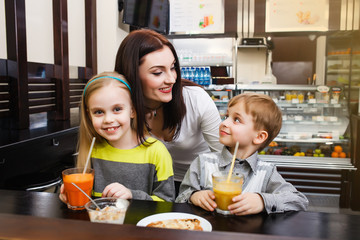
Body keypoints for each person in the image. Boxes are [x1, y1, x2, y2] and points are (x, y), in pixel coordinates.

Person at [114, 29, 223, 191]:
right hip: (152, 187)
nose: (172, 79)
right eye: (158, 72)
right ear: (132, 75)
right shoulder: (121, 108)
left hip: (200, 186)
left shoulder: (196, 99)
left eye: (172, 68)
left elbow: (226, 157)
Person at [176, 93, 309, 215]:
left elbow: (299, 201)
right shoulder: (203, 162)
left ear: (259, 137)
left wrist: (262, 201)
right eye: (226, 116)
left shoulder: (266, 172)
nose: (224, 123)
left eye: (237, 120)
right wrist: (194, 196)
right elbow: (181, 196)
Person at [59, 72, 175, 202]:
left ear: (132, 110)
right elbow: (87, 202)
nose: (108, 119)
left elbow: (167, 203)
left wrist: (132, 195)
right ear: (89, 115)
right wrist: (71, 194)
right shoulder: (92, 150)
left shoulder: (156, 152)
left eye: (117, 109)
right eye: (98, 112)